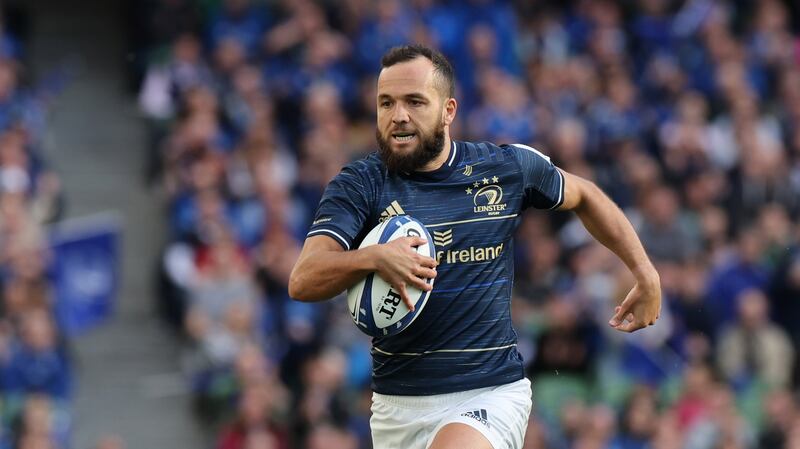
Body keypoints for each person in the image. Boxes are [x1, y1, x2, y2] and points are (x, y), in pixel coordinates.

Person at [288, 44, 661, 449]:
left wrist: (645, 273)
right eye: (386, 103)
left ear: (448, 111)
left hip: (489, 395)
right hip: (396, 406)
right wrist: (374, 257)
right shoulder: (359, 185)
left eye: (414, 102)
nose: (398, 116)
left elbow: (586, 195)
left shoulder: (503, 168)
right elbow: (304, 279)